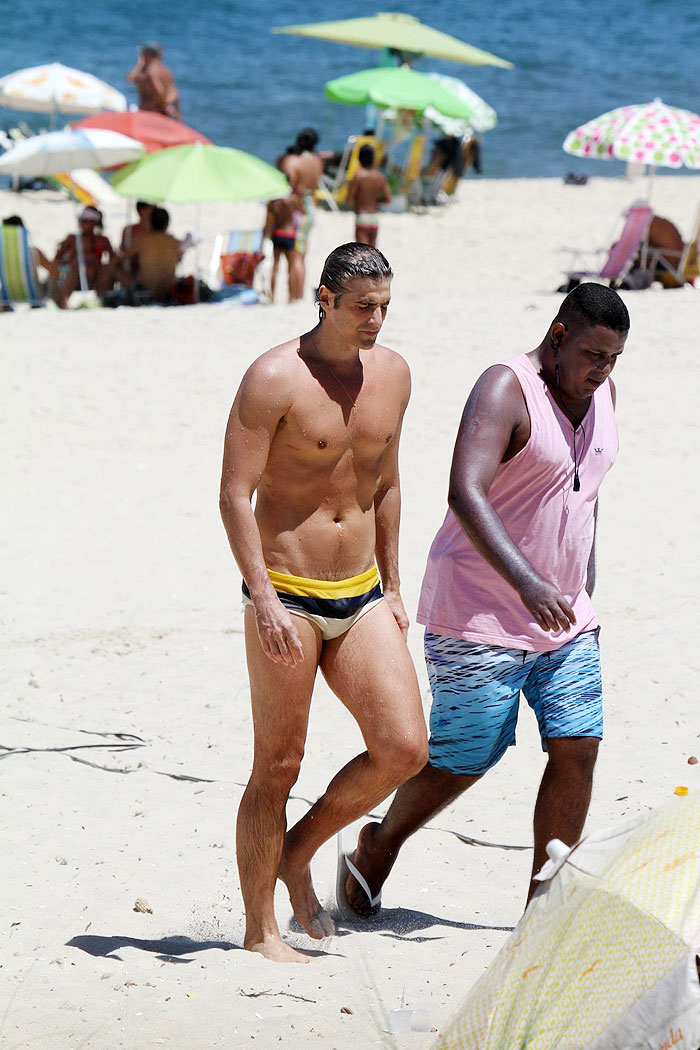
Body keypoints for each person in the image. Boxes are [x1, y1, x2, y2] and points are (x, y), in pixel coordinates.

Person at [338, 282, 630, 918]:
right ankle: (378, 846)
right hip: (479, 609)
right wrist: (528, 581)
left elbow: (588, 487)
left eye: (613, 359)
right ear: (558, 337)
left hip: (566, 614)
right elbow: (465, 491)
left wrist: (585, 573)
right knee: (466, 756)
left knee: (577, 747)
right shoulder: (506, 388)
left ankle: (543, 912)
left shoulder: (603, 391)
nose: (601, 371)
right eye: (592, 355)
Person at [219, 242, 427, 963]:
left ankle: (298, 851)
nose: (376, 319)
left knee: (404, 747)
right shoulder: (274, 377)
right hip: (289, 594)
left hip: (361, 591)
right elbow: (234, 497)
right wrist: (266, 599)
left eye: (385, 307)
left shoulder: (394, 375)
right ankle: (258, 930)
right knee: (278, 764)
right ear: (326, 300)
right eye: (364, 306)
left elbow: (389, 483)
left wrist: (396, 586)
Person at [279, 128, 324, 296]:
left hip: (299, 209)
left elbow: (289, 185)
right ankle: (298, 294)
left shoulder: (295, 161)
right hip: (311, 206)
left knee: (295, 256)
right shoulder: (317, 162)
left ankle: (295, 295)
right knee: (302, 255)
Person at [121, 205, 186, 302]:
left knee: (113, 269)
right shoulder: (174, 242)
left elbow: (123, 258)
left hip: (146, 290)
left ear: (150, 222)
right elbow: (178, 259)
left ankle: (100, 298)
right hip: (167, 291)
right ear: (167, 224)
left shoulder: (142, 240)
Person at [53, 206, 115, 308]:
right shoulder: (72, 239)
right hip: (74, 273)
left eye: (85, 221)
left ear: (94, 222)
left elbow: (113, 259)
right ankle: (63, 300)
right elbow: (56, 260)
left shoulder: (103, 240)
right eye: (81, 220)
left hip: (95, 274)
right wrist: (72, 262)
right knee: (79, 264)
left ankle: (101, 300)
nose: (81, 223)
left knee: (106, 269)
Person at [346, 145, 392, 247]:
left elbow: (349, 199)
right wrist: (375, 201)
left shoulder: (358, 176)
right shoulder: (380, 176)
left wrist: (361, 199)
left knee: (362, 253)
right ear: (373, 159)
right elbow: (388, 199)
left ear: (359, 159)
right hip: (374, 217)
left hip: (362, 216)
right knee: (373, 254)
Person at [262, 193, 303, 302]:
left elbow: (269, 220)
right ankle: (291, 297)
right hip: (290, 234)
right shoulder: (294, 199)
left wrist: (265, 235)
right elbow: (301, 214)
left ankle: (272, 297)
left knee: (275, 266)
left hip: (278, 233)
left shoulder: (273, 200)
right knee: (291, 268)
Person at [127, 43, 181, 120]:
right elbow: (173, 93)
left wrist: (163, 106)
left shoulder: (150, 71)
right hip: (163, 112)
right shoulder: (165, 70)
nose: (141, 55)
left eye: (142, 53)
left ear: (147, 54)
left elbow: (158, 90)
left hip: (151, 112)